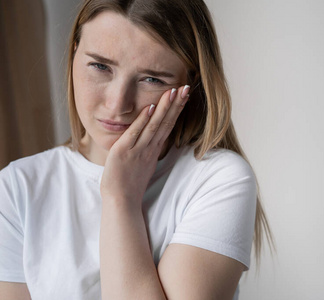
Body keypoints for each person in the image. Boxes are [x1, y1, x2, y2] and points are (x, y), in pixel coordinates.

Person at [0, 0, 273, 299]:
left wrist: (121, 199)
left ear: (191, 83)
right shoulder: (16, 189)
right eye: (100, 66)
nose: (118, 104)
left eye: (151, 79)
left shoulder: (218, 180)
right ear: (75, 52)